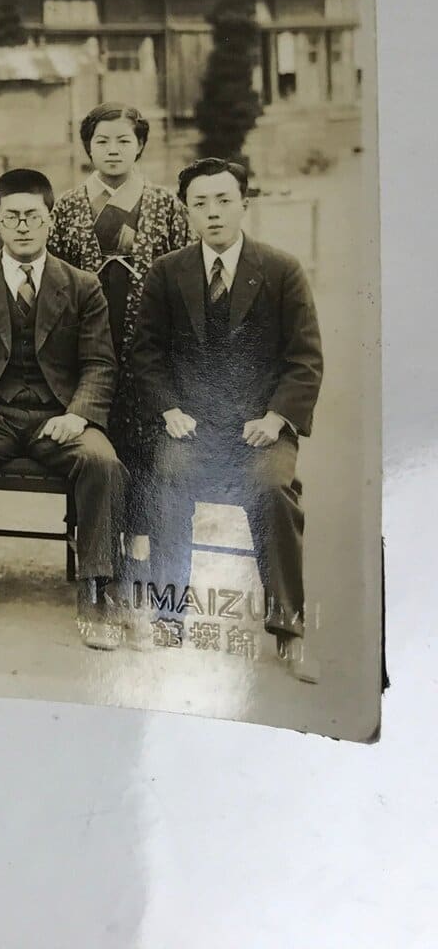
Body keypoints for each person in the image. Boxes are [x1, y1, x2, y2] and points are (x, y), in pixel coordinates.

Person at [133, 158, 323, 683]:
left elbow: (304, 358)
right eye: (200, 203)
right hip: (192, 426)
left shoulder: (281, 271)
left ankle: (289, 630)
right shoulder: (167, 272)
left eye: (223, 200)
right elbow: (145, 354)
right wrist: (168, 408)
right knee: (165, 480)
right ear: (187, 210)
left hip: (258, 428)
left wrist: (277, 416)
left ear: (245, 202)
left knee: (274, 492)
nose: (212, 213)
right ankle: (169, 619)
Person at [0, 168, 126, 648]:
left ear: (50, 220)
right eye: (11, 216)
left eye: (32, 216)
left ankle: (97, 593)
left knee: (103, 462)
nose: (22, 226)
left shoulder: (80, 286)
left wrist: (78, 413)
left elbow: (101, 362)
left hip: (59, 415)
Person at [49, 104, 190, 559]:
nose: (112, 150)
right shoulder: (68, 205)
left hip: (147, 344)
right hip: (82, 344)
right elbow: (52, 276)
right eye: (102, 141)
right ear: (88, 145)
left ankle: (138, 540)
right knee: (90, 437)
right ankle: (92, 539)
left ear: (141, 146)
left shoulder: (166, 204)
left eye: (123, 141)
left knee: (145, 439)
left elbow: (183, 277)